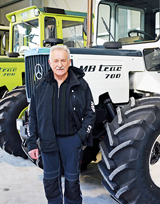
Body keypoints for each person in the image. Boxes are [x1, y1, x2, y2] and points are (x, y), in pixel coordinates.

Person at [26, 45, 95, 204]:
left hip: (71, 141)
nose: (59, 64)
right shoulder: (41, 85)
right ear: (50, 63)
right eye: (56, 60)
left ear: (69, 62)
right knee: (50, 181)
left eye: (63, 60)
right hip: (48, 140)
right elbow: (33, 115)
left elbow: (90, 113)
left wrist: (80, 137)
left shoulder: (81, 84)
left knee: (72, 182)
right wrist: (32, 143)